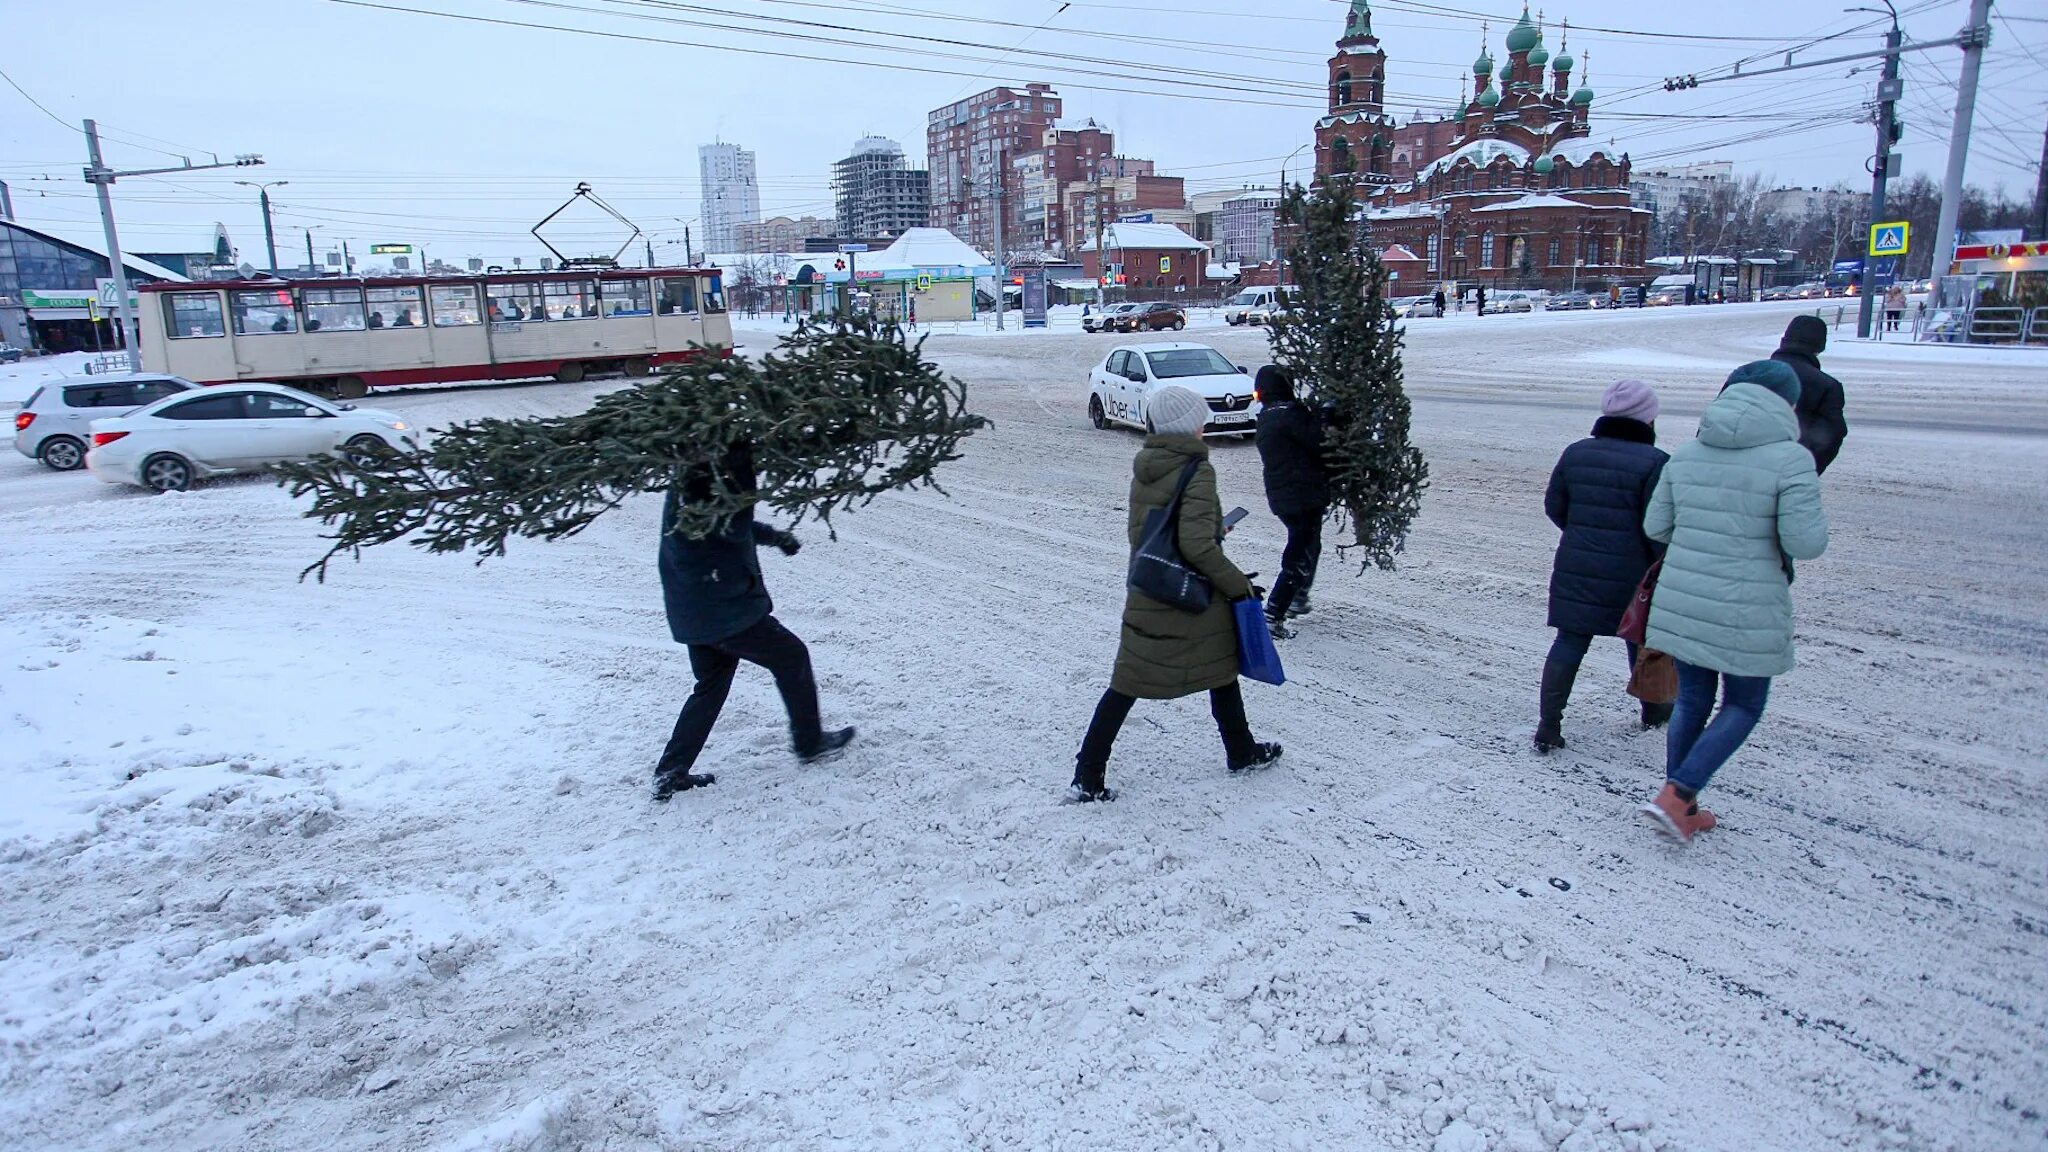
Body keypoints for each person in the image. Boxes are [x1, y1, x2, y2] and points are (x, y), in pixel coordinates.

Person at [1638, 361, 1828, 842]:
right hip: (1747, 606)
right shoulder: (1792, 460)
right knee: (1743, 704)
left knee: (1693, 701)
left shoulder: (1687, 454)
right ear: (1786, 403)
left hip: (1686, 599)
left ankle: (1682, 803)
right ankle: (1678, 794)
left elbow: (1655, 527)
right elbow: (1805, 542)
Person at [1069, 385, 1282, 802]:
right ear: (1189, 426)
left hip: (1151, 588)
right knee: (1221, 669)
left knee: (1129, 681)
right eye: (1200, 419)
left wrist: (1211, 526)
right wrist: (1239, 586)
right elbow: (1196, 546)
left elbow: (1157, 529)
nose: (1204, 426)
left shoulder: (1148, 464)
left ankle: (1088, 774)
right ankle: (1240, 751)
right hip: (1190, 597)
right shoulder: (1197, 470)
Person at [652, 444, 855, 800]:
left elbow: (731, 521)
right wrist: (742, 458)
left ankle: (670, 772)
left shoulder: (687, 482)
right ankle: (810, 743)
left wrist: (773, 537)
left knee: (711, 685)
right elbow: (733, 522)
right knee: (792, 656)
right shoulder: (701, 485)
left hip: (694, 610)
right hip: (722, 611)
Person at [1536, 379, 1670, 753]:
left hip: (1576, 561)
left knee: (1570, 641)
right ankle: (1654, 709)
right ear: (1647, 419)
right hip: (1634, 571)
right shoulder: (1657, 463)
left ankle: (1549, 723)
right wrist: (1656, 561)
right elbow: (1657, 525)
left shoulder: (1576, 453)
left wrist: (1581, 534)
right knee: (1640, 637)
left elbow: (1554, 506)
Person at [1253, 365, 1327, 638]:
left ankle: (1297, 598)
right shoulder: (1291, 416)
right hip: (1303, 497)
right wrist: (1327, 417)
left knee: (1310, 545)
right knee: (1299, 554)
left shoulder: (1266, 417)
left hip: (1284, 497)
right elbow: (1319, 442)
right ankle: (1274, 612)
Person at [1768, 314, 1849, 475]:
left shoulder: (1747, 374)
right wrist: (1806, 473)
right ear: (1819, 347)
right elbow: (1830, 437)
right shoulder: (1826, 385)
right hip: (1788, 471)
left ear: (1784, 341)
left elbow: (1715, 423)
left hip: (1733, 475)